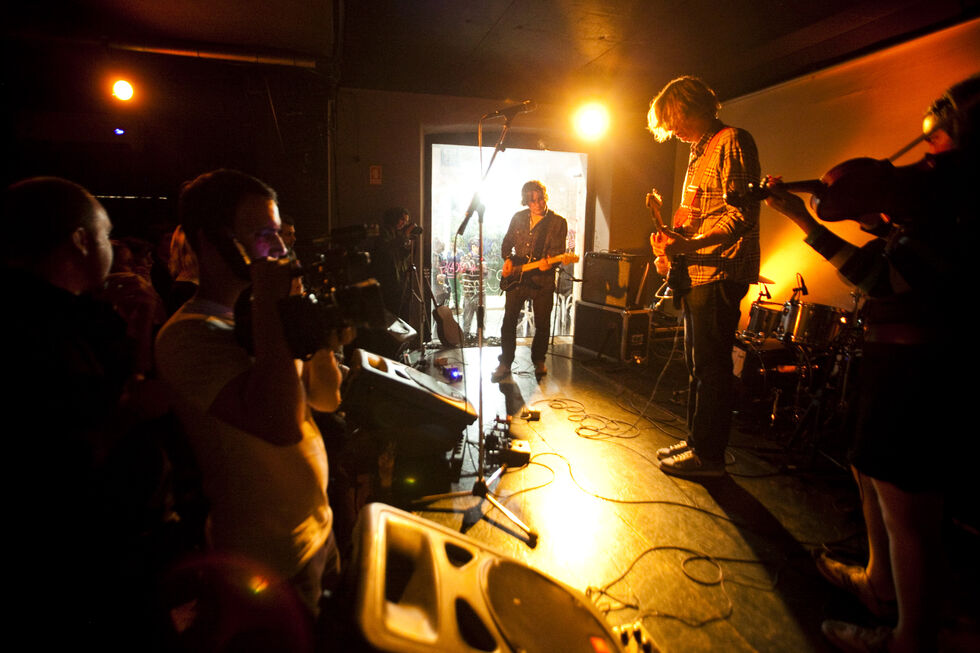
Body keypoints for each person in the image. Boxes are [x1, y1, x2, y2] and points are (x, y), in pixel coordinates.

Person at [763, 75, 979, 653]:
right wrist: (886, 229)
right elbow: (908, 264)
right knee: (869, 470)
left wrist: (808, 226)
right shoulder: (933, 202)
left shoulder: (956, 199)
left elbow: (884, 280)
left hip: (921, 366)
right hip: (896, 358)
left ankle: (910, 638)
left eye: (941, 131)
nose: (927, 152)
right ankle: (880, 584)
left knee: (908, 507)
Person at [154, 169, 349, 617]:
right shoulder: (187, 336)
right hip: (268, 561)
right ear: (211, 242)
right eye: (263, 236)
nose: (281, 250)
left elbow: (326, 399)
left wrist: (309, 328)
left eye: (278, 234)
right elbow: (280, 424)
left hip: (320, 529)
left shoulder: (266, 322)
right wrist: (272, 308)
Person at [647, 76, 761, 478]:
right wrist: (671, 243)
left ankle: (710, 457)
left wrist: (687, 248)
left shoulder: (732, 141)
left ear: (691, 107)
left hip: (721, 269)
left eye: (674, 119)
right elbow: (698, 218)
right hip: (698, 271)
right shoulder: (698, 152)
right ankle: (698, 441)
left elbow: (740, 215)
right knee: (698, 366)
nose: (672, 129)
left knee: (711, 368)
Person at [491, 180, 568, 381]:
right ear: (526, 201)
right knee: (509, 321)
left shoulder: (558, 222)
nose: (537, 204)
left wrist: (549, 264)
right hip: (518, 278)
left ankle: (539, 360)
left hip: (543, 279)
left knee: (542, 322)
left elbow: (558, 253)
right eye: (532, 201)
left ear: (545, 197)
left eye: (540, 199)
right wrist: (507, 259)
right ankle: (505, 362)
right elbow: (507, 243)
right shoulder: (518, 218)